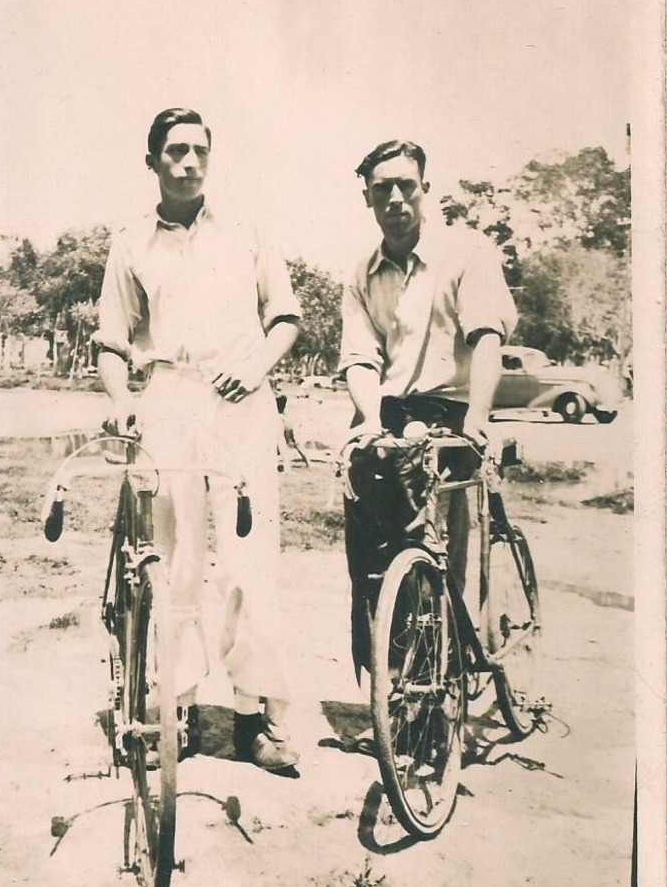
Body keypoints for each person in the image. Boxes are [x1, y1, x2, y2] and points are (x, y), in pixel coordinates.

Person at [95, 107, 301, 771]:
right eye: (175, 151)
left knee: (249, 562)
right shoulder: (131, 241)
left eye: (200, 151)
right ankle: (174, 711)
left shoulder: (245, 232)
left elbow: (286, 319)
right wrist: (125, 402)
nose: (189, 162)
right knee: (175, 562)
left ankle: (252, 719)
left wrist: (256, 367)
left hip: (240, 406)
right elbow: (110, 340)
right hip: (168, 405)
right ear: (152, 160)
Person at [339, 138, 517, 680]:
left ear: (424, 190)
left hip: (454, 407)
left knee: (443, 549)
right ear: (367, 199)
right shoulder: (362, 272)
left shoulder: (466, 253)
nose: (394, 198)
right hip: (388, 409)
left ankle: (447, 674)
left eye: (405, 186)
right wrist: (369, 420)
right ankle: (393, 685)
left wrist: (478, 419)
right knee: (371, 551)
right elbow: (360, 359)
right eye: (380, 190)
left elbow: (487, 337)